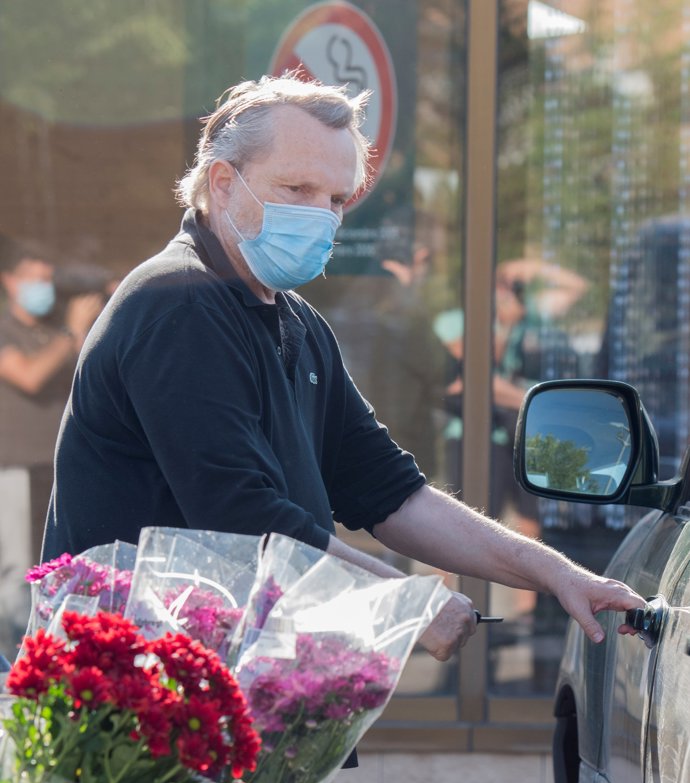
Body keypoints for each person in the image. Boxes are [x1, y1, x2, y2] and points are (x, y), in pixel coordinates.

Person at [43, 74, 644, 663]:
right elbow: (242, 520)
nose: (320, 216)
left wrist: (558, 574)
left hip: (246, 700)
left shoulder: (296, 321)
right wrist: (401, 603)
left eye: (334, 199)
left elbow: (391, 493)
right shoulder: (178, 303)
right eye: (297, 188)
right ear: (223, 183)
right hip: (135, 704)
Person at [0, 238, 103, 658]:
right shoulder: (7, 329)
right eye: (34, 280)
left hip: (59, 468)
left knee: (52, 567)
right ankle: (13, 662)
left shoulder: (49, 330)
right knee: (15, 573)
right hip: (19, 468)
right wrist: (72, 331)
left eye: (48, 280)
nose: (43, 288)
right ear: (9, 281)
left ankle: (47, 652)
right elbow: (27, 375)